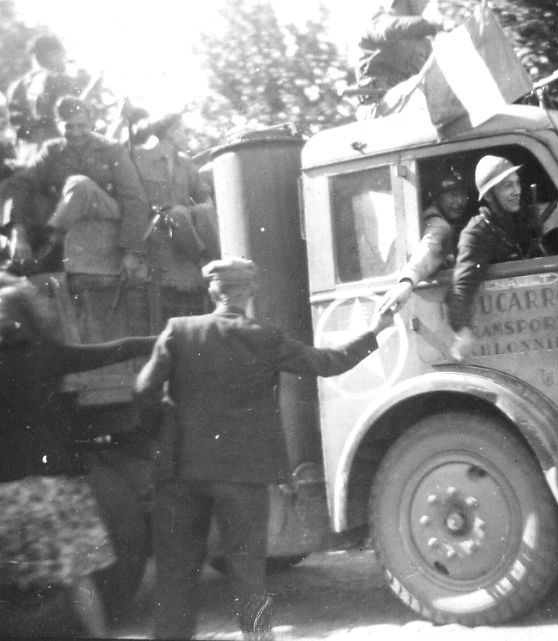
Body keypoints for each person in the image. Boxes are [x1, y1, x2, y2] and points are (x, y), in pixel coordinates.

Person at [133, 257, 394, 640]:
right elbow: (326, 362)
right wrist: (374, 332)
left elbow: (143, 390)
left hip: (182, 471)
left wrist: (164, 431)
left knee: (176, 572)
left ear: (211, 291)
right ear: (250, 291)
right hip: (244, 474)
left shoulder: (179, 330)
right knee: (247, 569)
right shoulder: (263, 335)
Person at [0, 275, 155, 637]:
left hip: (6, 492)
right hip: (56, 485)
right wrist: (164, 338)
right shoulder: (46, 355)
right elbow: (114, 349)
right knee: (77, 575)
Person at [1, 96, 149, 279]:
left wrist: (131, 250)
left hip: (106, 211)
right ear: (58, 124)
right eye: (69, 126)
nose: (76, 132)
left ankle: (50, 250)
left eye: (82, 125)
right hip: (70, 220)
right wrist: (18, 233)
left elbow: (134, 198)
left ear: (92, 122)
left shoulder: (112, 150)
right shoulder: (52, 150)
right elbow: (20, 185)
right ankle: (26, 253)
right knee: (30, 192)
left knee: (80, 185)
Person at [447, 155, 543, 360]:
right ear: (489, 196)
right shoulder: (476, 234)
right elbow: (460, 289)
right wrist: (462, 330)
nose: (517, 191)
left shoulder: (518, 219)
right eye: (508, 186)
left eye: (517, 183)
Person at [132, 113, 219, 312]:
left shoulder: (185, 162)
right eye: (184, 131)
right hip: (153, 223)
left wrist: (208, 213)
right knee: (179, 212)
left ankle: (217, 259)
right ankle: (203, 261)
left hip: (183, 223)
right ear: (171, 133)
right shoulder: (139, 157)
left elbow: (202, 196)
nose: (188, 136)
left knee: (203, 209)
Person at [377, 167, 471, 313]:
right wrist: (407, 282)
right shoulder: (439, 225)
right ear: (437, 198)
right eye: (452, 195)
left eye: (463, 195)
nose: (459, 202)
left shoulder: (427, 218)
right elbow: (429, 248)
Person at [6, 34, 96, 161]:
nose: (63, 59)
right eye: (60, 54)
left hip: (27, 152)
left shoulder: (19, 84)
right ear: (52, 54)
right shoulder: (54, 79)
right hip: (50, 151)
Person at [355, 0, 449, 119]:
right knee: (427, 87)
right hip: (377, 109)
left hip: (406, 106)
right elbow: (393, 27)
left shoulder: (425, 44)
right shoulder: (377, 21)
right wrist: (436, 24)